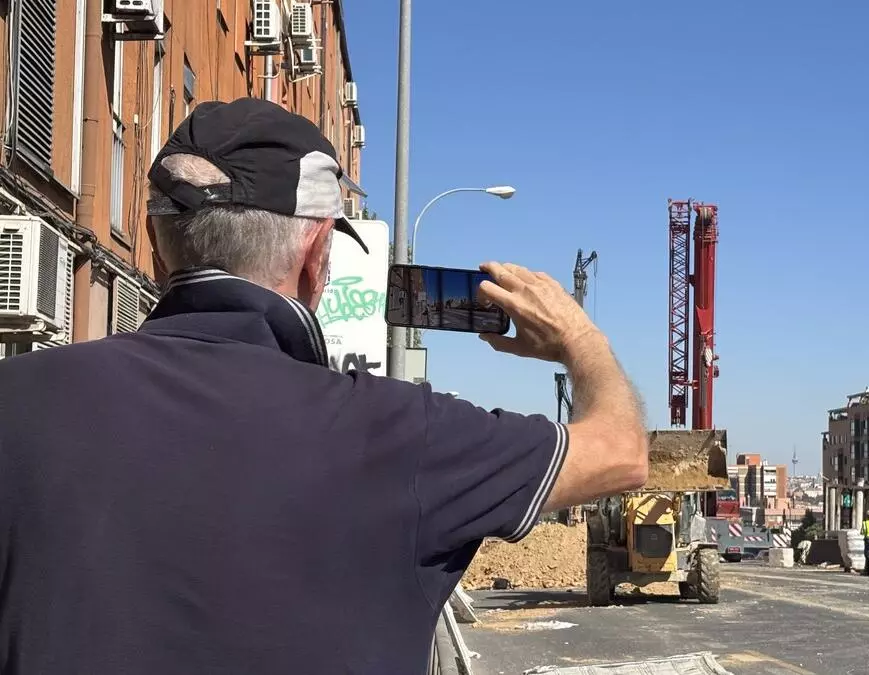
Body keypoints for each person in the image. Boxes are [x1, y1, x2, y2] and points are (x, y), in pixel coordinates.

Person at [0, 98, 649, 675]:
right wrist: (577, 336)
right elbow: (621, 451)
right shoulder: (403, 434)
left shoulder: (17, 399)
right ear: (315, 255)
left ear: (152, 243)